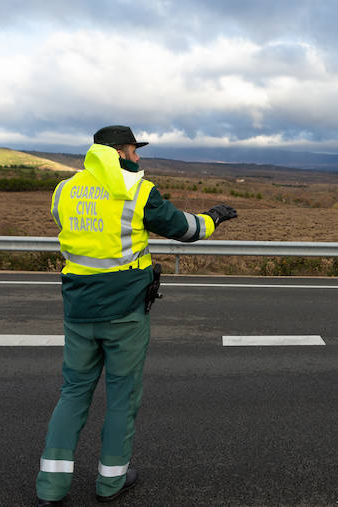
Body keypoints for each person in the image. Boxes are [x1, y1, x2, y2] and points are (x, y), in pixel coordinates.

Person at [36, 125, 236, 505]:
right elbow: (184, 229)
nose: (138, 157)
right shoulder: (138, 191)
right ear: (119, 152)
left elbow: (73, 231)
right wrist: (214, 217)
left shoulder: (64, 190)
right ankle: (111, 482)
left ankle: (51, 486)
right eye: (134, 150)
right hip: (125, 313)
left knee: (73, 393)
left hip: (78, 311)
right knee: (122, 396)